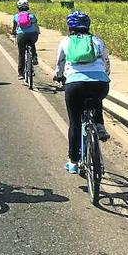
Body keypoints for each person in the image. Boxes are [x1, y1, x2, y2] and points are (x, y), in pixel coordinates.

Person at [54, 11, 111, 174]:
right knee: (96, 97)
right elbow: (106, 61)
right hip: (99, 83)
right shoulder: (97, 41)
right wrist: (105, 75)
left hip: (75, 84)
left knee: (75, 122)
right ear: (88, 26)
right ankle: (99, 125)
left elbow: (60, 63)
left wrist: (58, 76)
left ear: (70, 27)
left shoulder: (65, 41)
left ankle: (73, 161)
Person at [11, 0, 40, 80]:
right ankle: (34, 57)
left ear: (18, 8)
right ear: (27, 7)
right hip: (32, 34)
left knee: (21, 54)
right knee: (32, 44)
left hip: (21, 35)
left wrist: (13, 33)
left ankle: (21, 74)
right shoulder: (32, 16)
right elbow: (36, 26)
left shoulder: (16, 16)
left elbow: (14, 27)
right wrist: (37, 33)